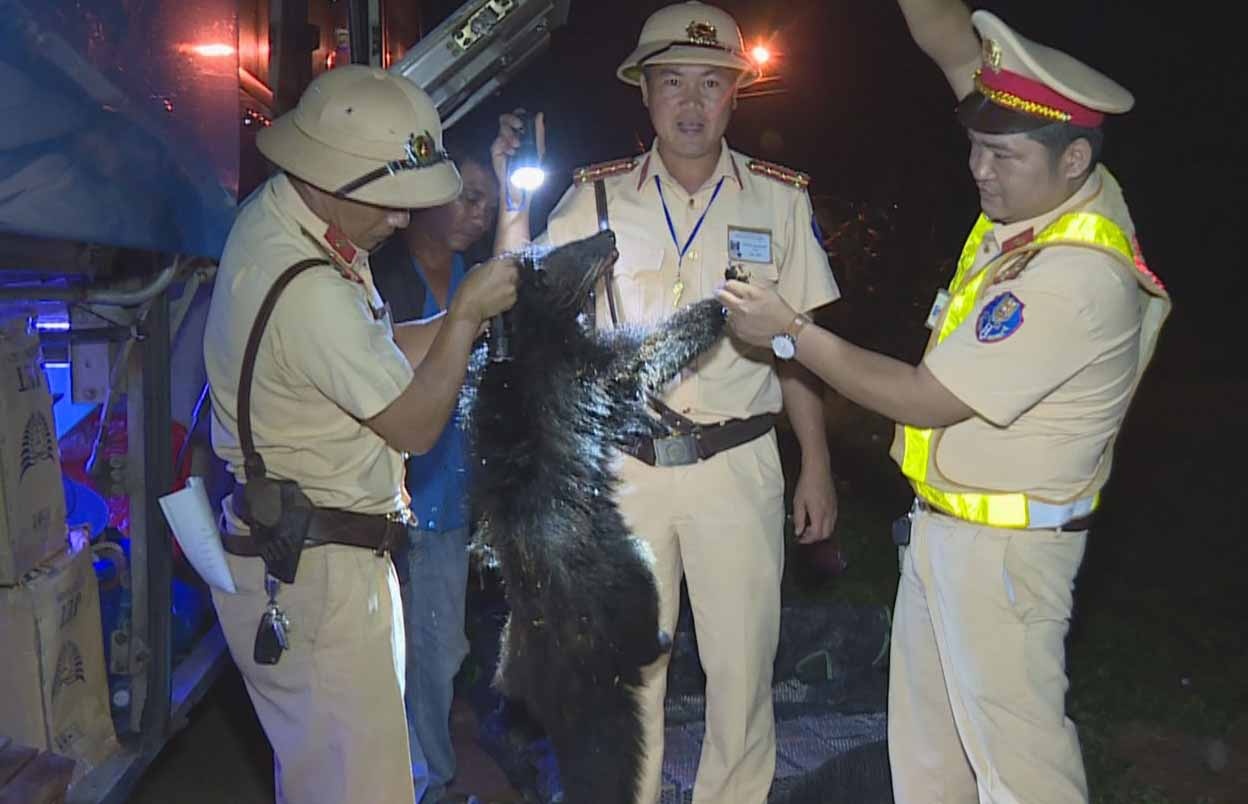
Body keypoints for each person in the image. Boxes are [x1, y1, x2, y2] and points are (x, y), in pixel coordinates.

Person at [717, 3, 1171, 801]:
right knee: (929, 766)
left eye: (999, 155)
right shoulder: (1053, 183)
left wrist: (788, 331)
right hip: (948, 533)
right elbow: (949, 41)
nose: (978, 170)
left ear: (1072, 163)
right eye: (974, 146)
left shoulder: (1074, 277)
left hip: (1005, 563)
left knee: (1021, 774)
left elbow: (922, 399)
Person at [494, 3, 841, 801]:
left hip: (739, 462)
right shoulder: (597, 199)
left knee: (743, 666)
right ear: (645, 94)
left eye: (710, 84)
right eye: (672, 83)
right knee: (626, 670)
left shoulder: (779, 202)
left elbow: (800, 351)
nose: (691, 102)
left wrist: (815, 465)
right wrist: (512, 207)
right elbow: (526, 310)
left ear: (733, 96)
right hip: (629, 470)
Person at [202, 65, 518, 804]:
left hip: (301, 558)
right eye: (392, 201)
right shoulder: (309, 286)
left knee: (324, 783)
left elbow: (374, 352)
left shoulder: (284, 222)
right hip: (322, 579)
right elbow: (411, 424)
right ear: (332, 177)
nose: (405, 221)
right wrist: (466, 316)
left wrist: (460, 323)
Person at [370, 138, 499, 804]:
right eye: (468, 197)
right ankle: (430, 785)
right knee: (415, 653)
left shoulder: (476, 281)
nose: (479, 215)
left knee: (436, 651)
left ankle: (420, 778)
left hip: (452, 500)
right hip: (399, 499)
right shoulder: (379, 279)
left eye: (490, 204)